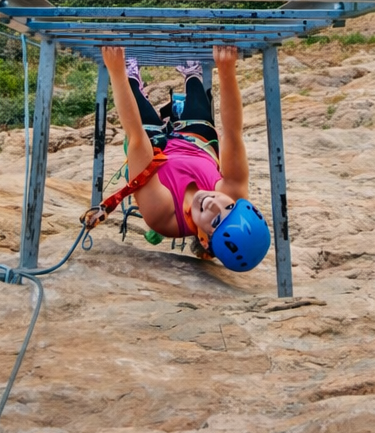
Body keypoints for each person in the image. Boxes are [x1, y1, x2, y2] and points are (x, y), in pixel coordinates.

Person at [100, 44, 271, 272]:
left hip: (153, 149)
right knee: (201, 119)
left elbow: (136, 138)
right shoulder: (234, 193)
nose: (214, 204)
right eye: (229, 206)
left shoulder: (161, 215)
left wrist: (117, 73)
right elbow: (232, 132)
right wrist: (227, 70)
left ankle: (133, 78)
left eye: (216, 221)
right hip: (197, 142)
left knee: (145, 126)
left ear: (203, 240)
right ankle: (193, 75)